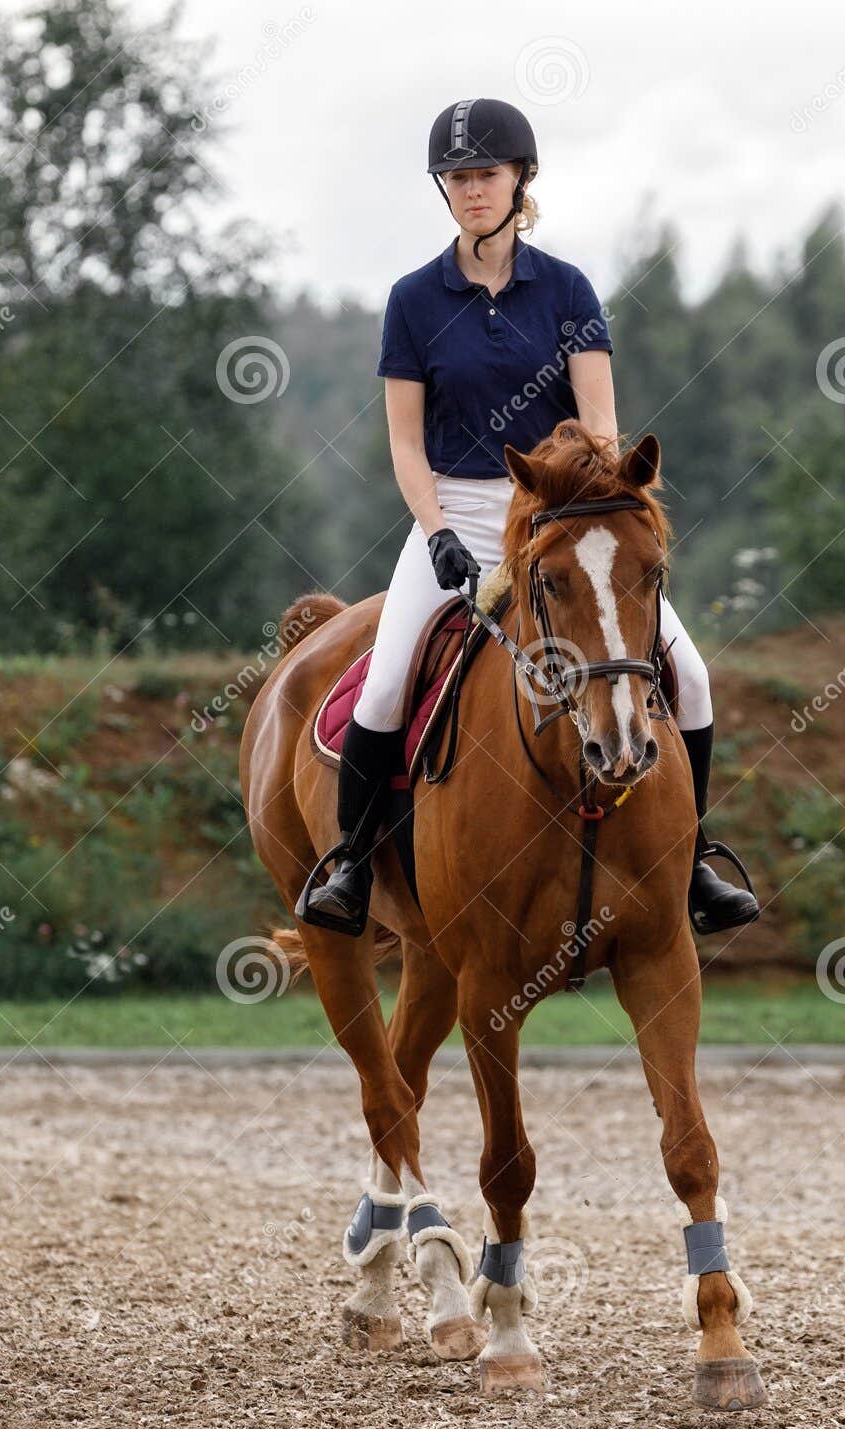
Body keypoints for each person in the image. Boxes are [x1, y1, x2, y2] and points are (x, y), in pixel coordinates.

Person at [299, 97, 758, 940]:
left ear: (520, 181)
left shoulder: (568, 290)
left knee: (686, 675)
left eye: (485, 174)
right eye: (457, 177)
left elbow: (603, 425)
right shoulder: (412, 299)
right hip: (458, 510)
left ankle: (691, 862)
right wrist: (435, 529)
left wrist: (588, 510)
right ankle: (353, 867)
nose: (471, 189)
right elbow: (404, 443)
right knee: (391, 679)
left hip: (561, 516)